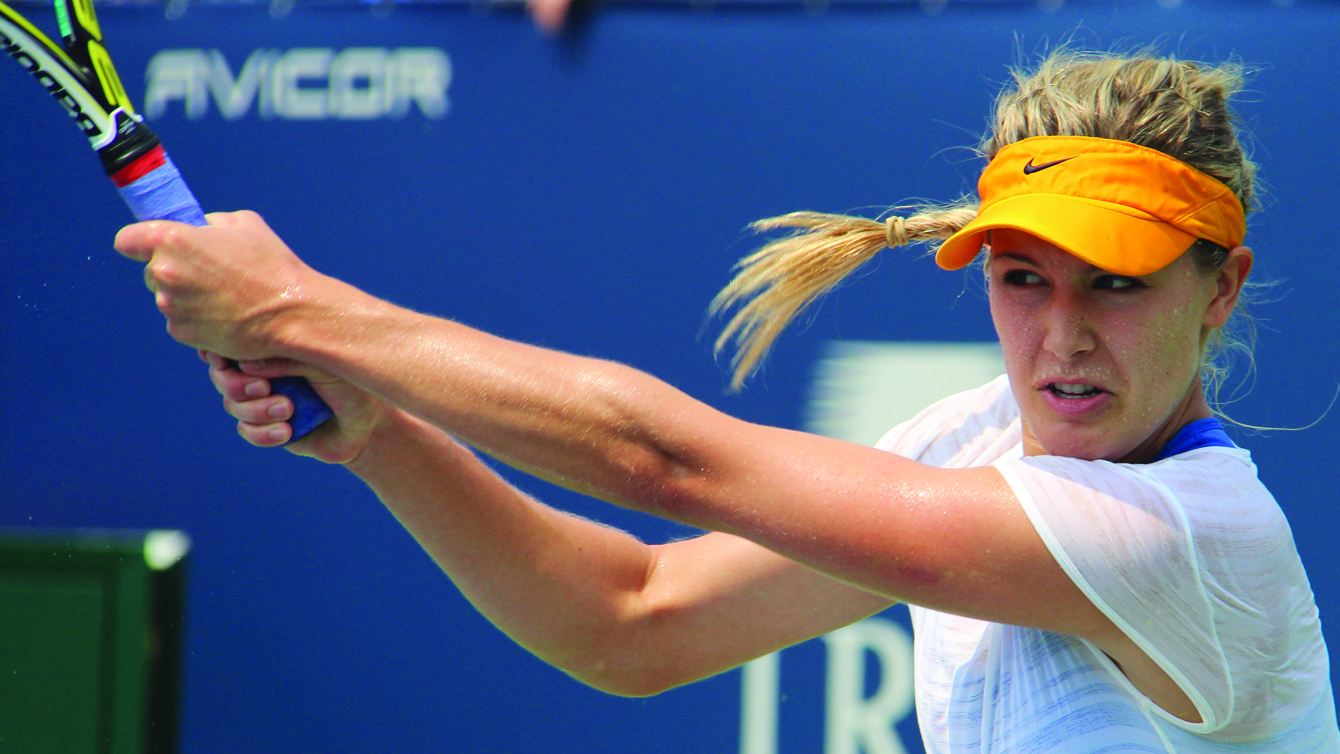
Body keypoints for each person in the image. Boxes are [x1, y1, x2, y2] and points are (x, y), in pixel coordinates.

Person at [113, 48, 1339, 752]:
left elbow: (667, 464)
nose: (1061, 337)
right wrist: (382, 434)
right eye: (1022, 280)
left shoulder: (1194, 537)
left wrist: (298, 313)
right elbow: (633, 618)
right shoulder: (968, 438)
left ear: (1218, 288)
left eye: (1114, 285)